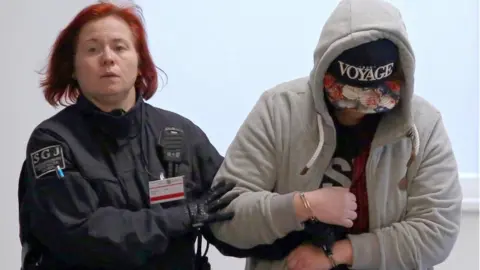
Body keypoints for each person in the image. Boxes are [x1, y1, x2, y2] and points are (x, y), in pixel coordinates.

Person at [16, 2, 280, 270]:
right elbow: (83, 234)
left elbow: (228, 215)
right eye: (93, 49)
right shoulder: (53, 142)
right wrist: (183, 216)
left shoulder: (180, 133)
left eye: (120, 47)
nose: (108, 58)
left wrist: (303, 232)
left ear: (140, 62)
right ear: (72, 67)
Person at [209, 0, 463, 269]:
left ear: (399, 75)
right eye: (346, 94)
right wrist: (301, 206)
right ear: (323, 71)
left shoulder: (423, 125)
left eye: (374, 97)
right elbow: (225, 220)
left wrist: (341, 253)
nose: (358, 110)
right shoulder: (278, 110)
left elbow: (438, 232)